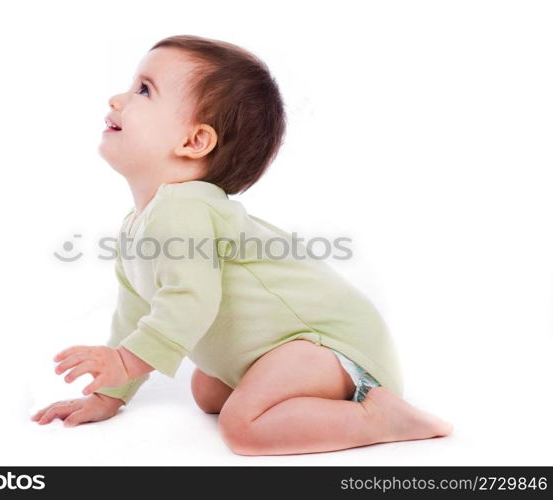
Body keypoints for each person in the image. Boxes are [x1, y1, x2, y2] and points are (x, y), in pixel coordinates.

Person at [31, 34, 453, 456]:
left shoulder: (185, 206)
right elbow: (136, 310)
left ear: (194, 141)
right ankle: (317, 404)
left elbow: (190, 301)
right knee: (208, 391)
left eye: (144, 90)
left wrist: (126, 361)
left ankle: (378, 417)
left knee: (242, 427)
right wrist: (109, 394)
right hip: (295, 350)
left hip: (332, 347)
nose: (117, 99)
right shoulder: (139, 225)